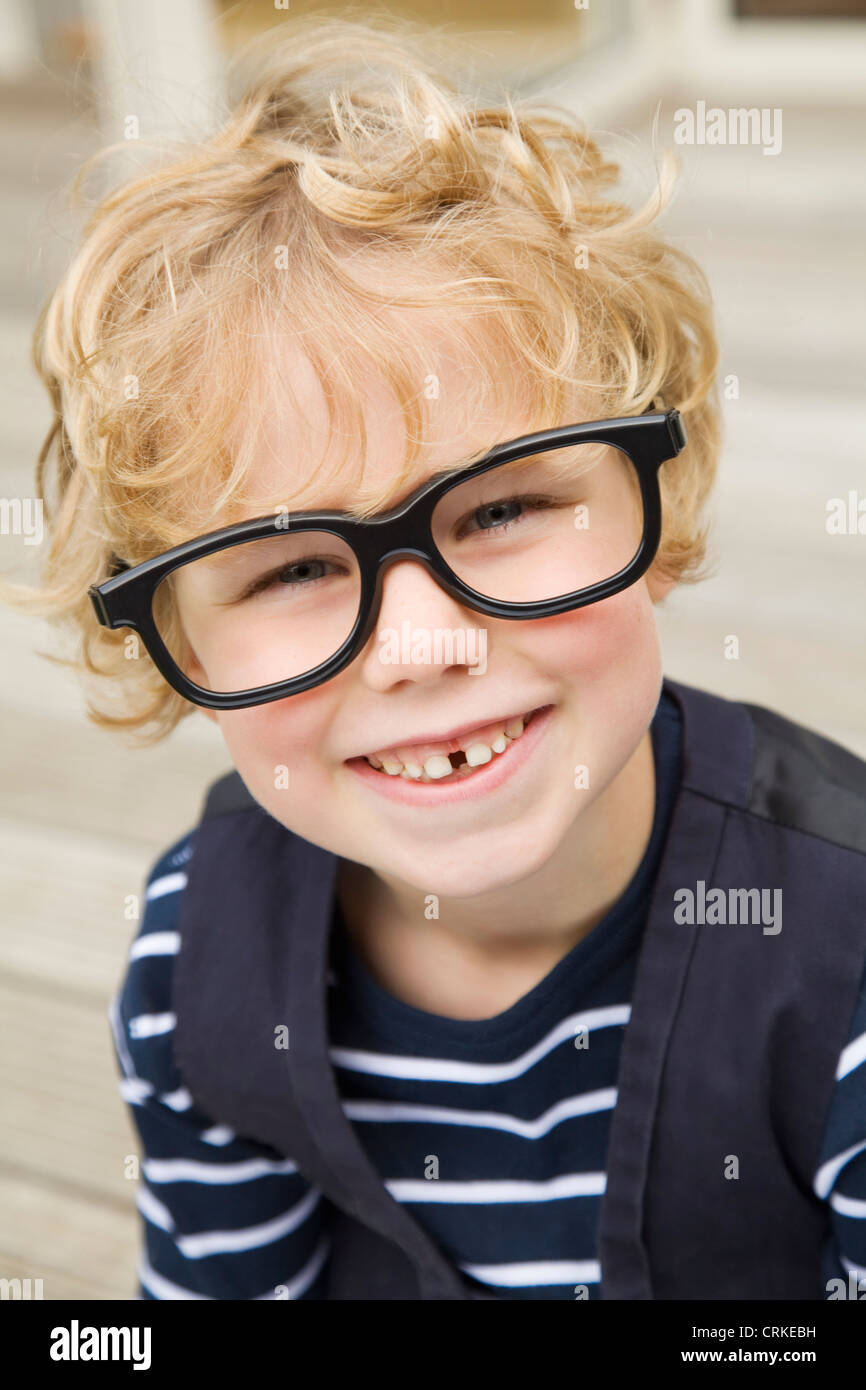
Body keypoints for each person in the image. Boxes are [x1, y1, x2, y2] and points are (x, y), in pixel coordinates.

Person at [10, 14, 866, 1300]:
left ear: (654, 516)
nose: (419, 643)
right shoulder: (201, 957)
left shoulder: (837, 950)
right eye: (292, 566)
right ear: (174, 642)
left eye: (504, 508)